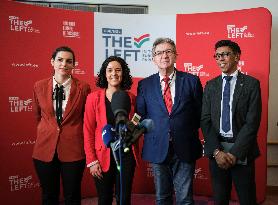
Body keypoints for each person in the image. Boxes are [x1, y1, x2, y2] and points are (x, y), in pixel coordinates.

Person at [136, 37, 203, 205]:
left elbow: (199, 114)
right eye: (159, 53)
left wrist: (181, 129)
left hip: (185, 145)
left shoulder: (192, 81)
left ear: (176, 55)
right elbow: (141, 115)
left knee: (185, 199)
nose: (164, 56)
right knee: (162, 197)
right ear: (153, 58)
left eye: (168, 52)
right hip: (157, 146)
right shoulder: (145, 84)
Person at [201, 40, 262, 205]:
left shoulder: (251, 84)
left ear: (237, 56)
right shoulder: (211, 85)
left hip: (242, 150)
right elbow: (205, 121)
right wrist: (216, 152)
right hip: (217, 151)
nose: (221, 59)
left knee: (247, 199)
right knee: (220, 200)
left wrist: (235, 153)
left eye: (226, 54)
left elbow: (252, 122)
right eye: (218, 55)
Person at [32, 46, 91, 205]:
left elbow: (86, 119)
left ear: (74, 65)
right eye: (60, 60)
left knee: (72, 196)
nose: (64, 64)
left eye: (69, 61)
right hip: (44, 149)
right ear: (52, 62)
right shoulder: (39, 86)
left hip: (73, 149)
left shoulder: (83, 88)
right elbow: (38, 116)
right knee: (49, 196)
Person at [83, 56, 139, 205]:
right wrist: (92, 161)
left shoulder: (131, 98)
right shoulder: (93, 98)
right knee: (104, 199)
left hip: (126, 155)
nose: (114, 74)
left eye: (118, 70)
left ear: (123, 73)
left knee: (124, 199)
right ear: (104, 74)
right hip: (101, 157)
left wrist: (133, 127)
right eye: (110, 70)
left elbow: (136, 120)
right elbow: (88, 130)